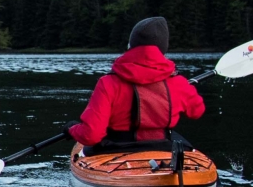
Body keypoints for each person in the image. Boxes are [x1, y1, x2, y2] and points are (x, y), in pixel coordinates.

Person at [68, 16, 205, 151]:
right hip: (162, 147)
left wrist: (72, 129)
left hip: (116, 148)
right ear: (163, 48)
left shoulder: (108, 82)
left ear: (131, 45)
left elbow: (91, 135)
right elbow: (197, 111)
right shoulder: (178, 82)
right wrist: (185, 90)